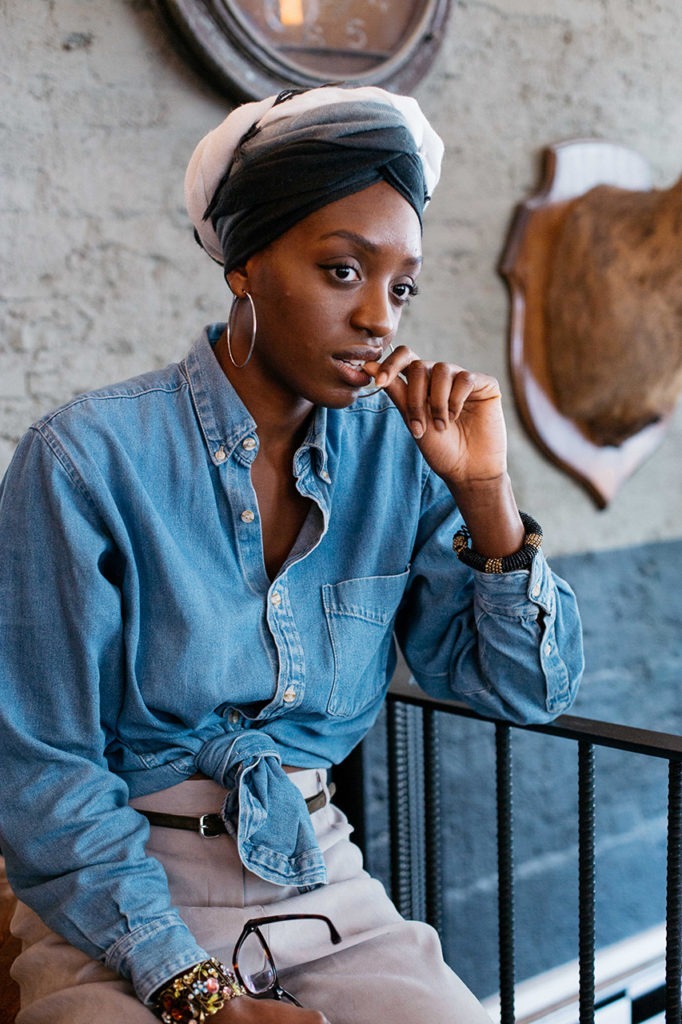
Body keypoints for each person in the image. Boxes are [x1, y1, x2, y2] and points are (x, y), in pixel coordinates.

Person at [0, 84, 584, 1024]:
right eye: (343, 271)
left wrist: (485, 496)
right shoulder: (84, 460)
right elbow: (43, 771)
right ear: (245, 265)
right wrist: (198, 994)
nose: (379, 320)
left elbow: (523, 690)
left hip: (323, 886)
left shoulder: (402, 458)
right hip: (109, 905)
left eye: (401, 286)